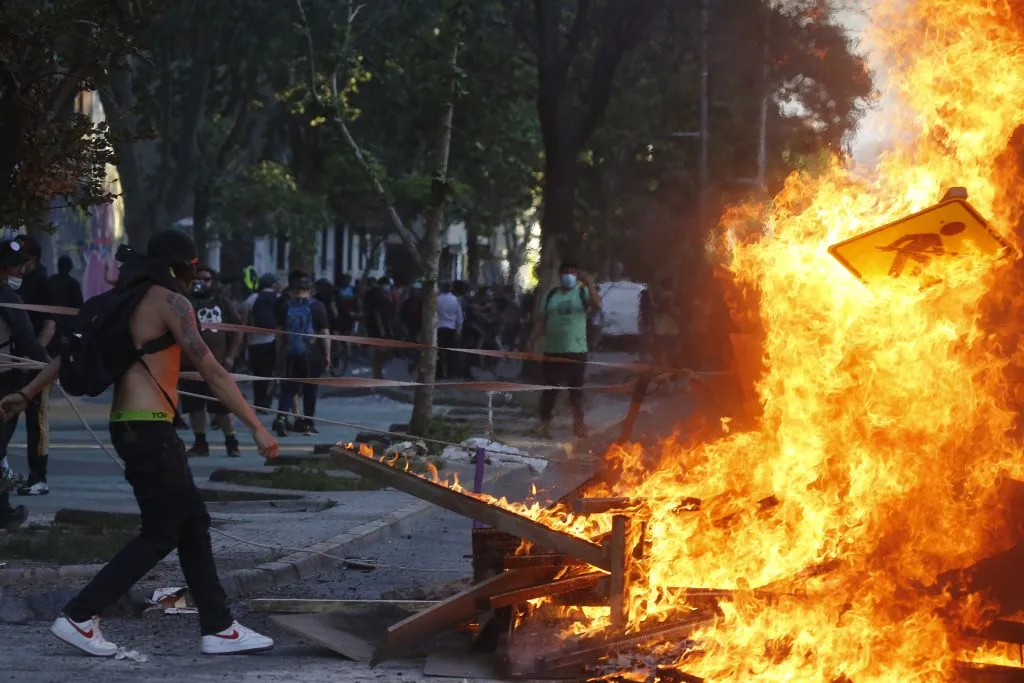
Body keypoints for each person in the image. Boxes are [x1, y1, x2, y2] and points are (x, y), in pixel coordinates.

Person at [0, 229, 278, 656]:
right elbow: (214, 372)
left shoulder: (125, 301)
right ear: (182, 265)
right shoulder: (171, 303)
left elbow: (66, 356)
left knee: (192, 523)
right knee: (162, 531)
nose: (194, 274)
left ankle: (219, 626)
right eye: (192, 265)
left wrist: (26, 394)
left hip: (133, 427)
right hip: (151, 431)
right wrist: (256, 427)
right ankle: (80, 614)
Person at [0, 241, 49, 528]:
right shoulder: (8, 297)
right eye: (16, 264)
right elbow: (28, 339)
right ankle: (4, 512)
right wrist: (48, 367)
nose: (21, 269)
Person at [527, 259, 602, 439]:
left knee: (575, 391)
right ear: (560, 275)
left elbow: (598, 305)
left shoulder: (582, 292)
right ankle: (544, 425)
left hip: (576, 350)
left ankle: (579, 425)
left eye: (572, 272)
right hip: (552, 349)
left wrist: (590, 283)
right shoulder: (551, 295)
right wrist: (531, 342)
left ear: (577, 275)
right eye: (566, 271)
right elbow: (542, 322)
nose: (569, 275)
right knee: (550, 390)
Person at [179, 266, 244, 457]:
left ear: (213, 282)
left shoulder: (222, 302)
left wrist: (231, 356)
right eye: (197, 279)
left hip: (217, 365)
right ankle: (200, 443)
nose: (201, 283)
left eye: (206, 279)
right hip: (190, 365)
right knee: (194, 407)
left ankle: (231, 442)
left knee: (222, 408)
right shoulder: (184, 303)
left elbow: (237, 328)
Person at [14, 234, 55, 496]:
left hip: (37, 364)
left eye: (21, 261)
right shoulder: (10, 284)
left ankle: (38, 476)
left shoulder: (45, 285)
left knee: (36, 421)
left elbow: (50, 325)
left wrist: (34, 356)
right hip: (11, 362)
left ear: (33, 260)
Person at [273, 273, 330, 436]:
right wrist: (327, 355)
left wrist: (279, 355)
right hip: (312, 355)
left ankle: (281, 417)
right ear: (310, 290)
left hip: (291, 354)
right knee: (310, 389)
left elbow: (279, 334)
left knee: (289, 388)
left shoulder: (284, 306)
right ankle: (307, 423)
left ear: (291, 291)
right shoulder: (318, 306)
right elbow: (325, 333)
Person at [241, 273, 281, 413]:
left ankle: (258, 403)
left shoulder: (252, 299)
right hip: (272, 341)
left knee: (257, 373)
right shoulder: (279, 298)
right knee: (269, 373)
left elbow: (244, 322)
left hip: (254, 342)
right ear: (274, 285)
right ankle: (266, 403)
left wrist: (243, 343)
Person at [49, 255, 84, 345]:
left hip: (50, 321)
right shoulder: (73, 283)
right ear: (70, 267)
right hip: (68, 324)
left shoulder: (50, 281)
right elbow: (79, 304)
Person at [363, 277, 392, 379]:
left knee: (379, 353)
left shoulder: (369, 293)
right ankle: (378, 375)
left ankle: (378, 374)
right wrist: (382, 329)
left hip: (372, 326)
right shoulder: (378, 295)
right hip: (378, 328)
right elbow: (377, 313)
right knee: (379, 353)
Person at [435, 281, 463, 380]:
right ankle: (450, 373)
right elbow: (459, 317)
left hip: (438, 328)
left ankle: (439, 373)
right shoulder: (455, 300)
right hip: (451, 329)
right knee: (451, 353)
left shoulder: (436, 299)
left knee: (437, 352)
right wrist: (458, 330)